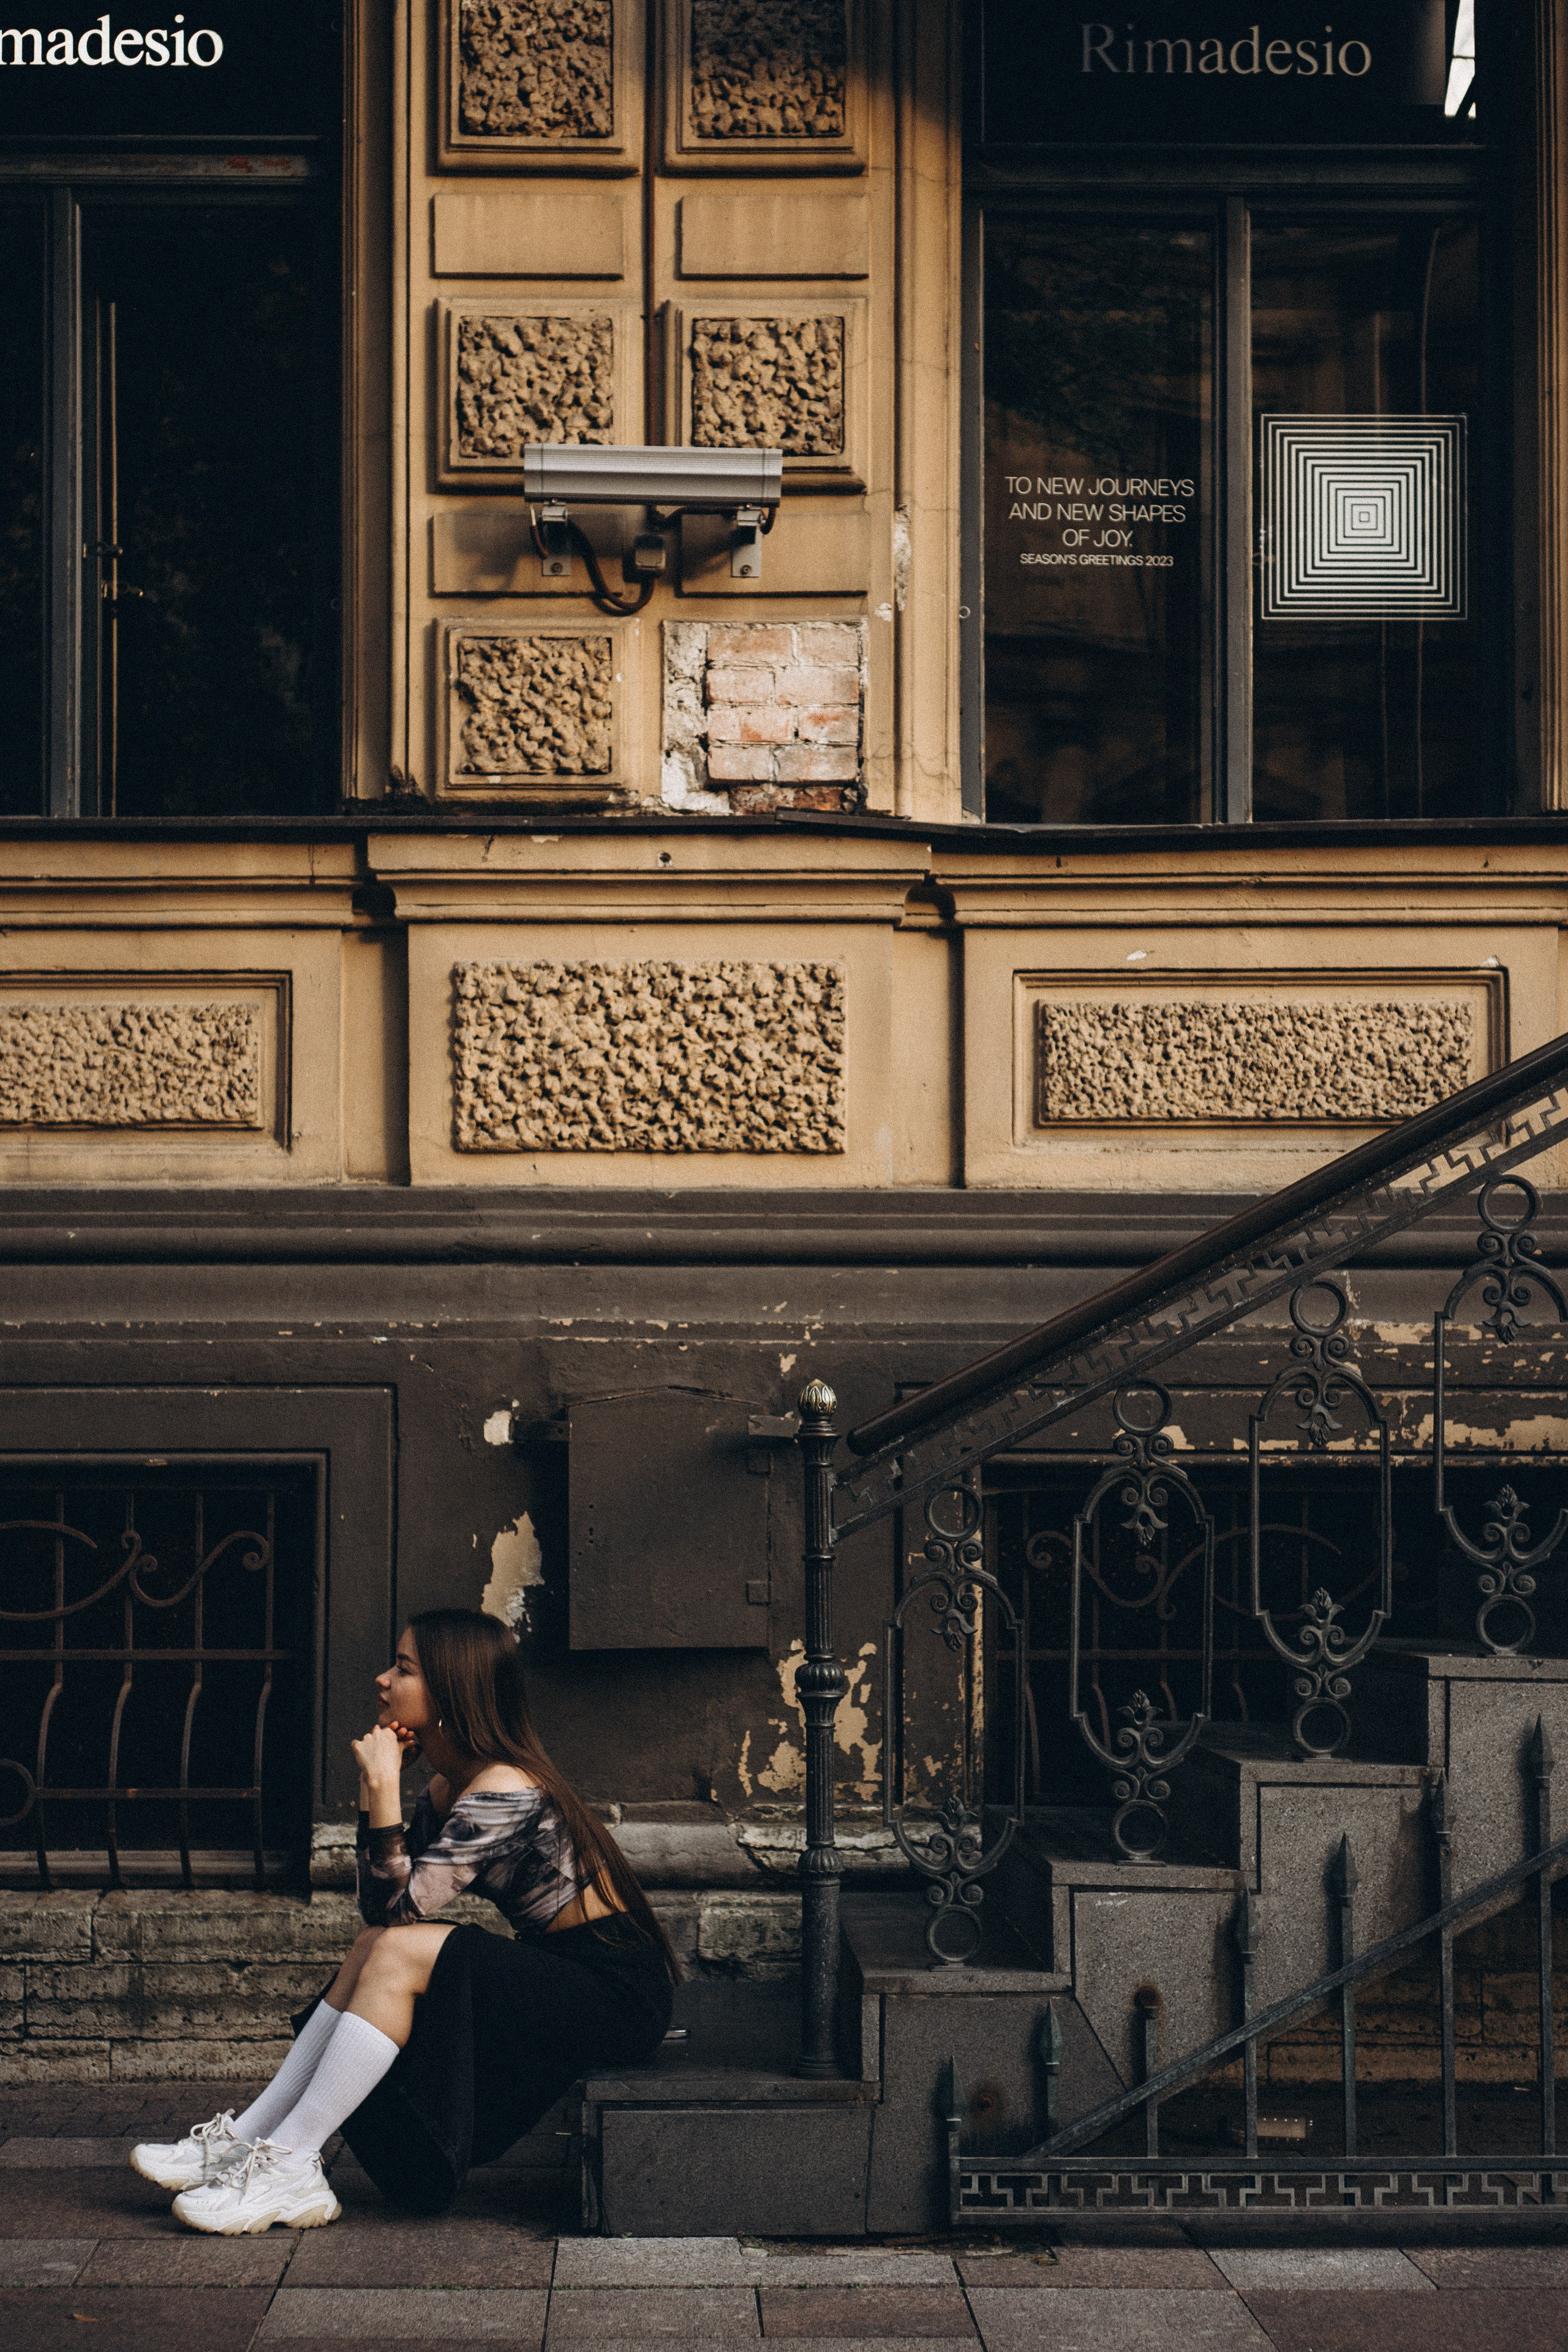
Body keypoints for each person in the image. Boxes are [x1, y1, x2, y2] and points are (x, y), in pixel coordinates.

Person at [129, 1607, 677, 2234]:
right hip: (565, 1970)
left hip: (616, 1992)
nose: (383, 1681)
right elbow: (382, 1912)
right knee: (376, 1945)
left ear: (450, 1690)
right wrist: (380, 1797)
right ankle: (247, 2141)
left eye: (404, 1669)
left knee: (395, 1949)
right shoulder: (451, 1788)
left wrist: (383, 1789)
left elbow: (402, 1910)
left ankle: (292, 2164)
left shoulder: (507, 1790)